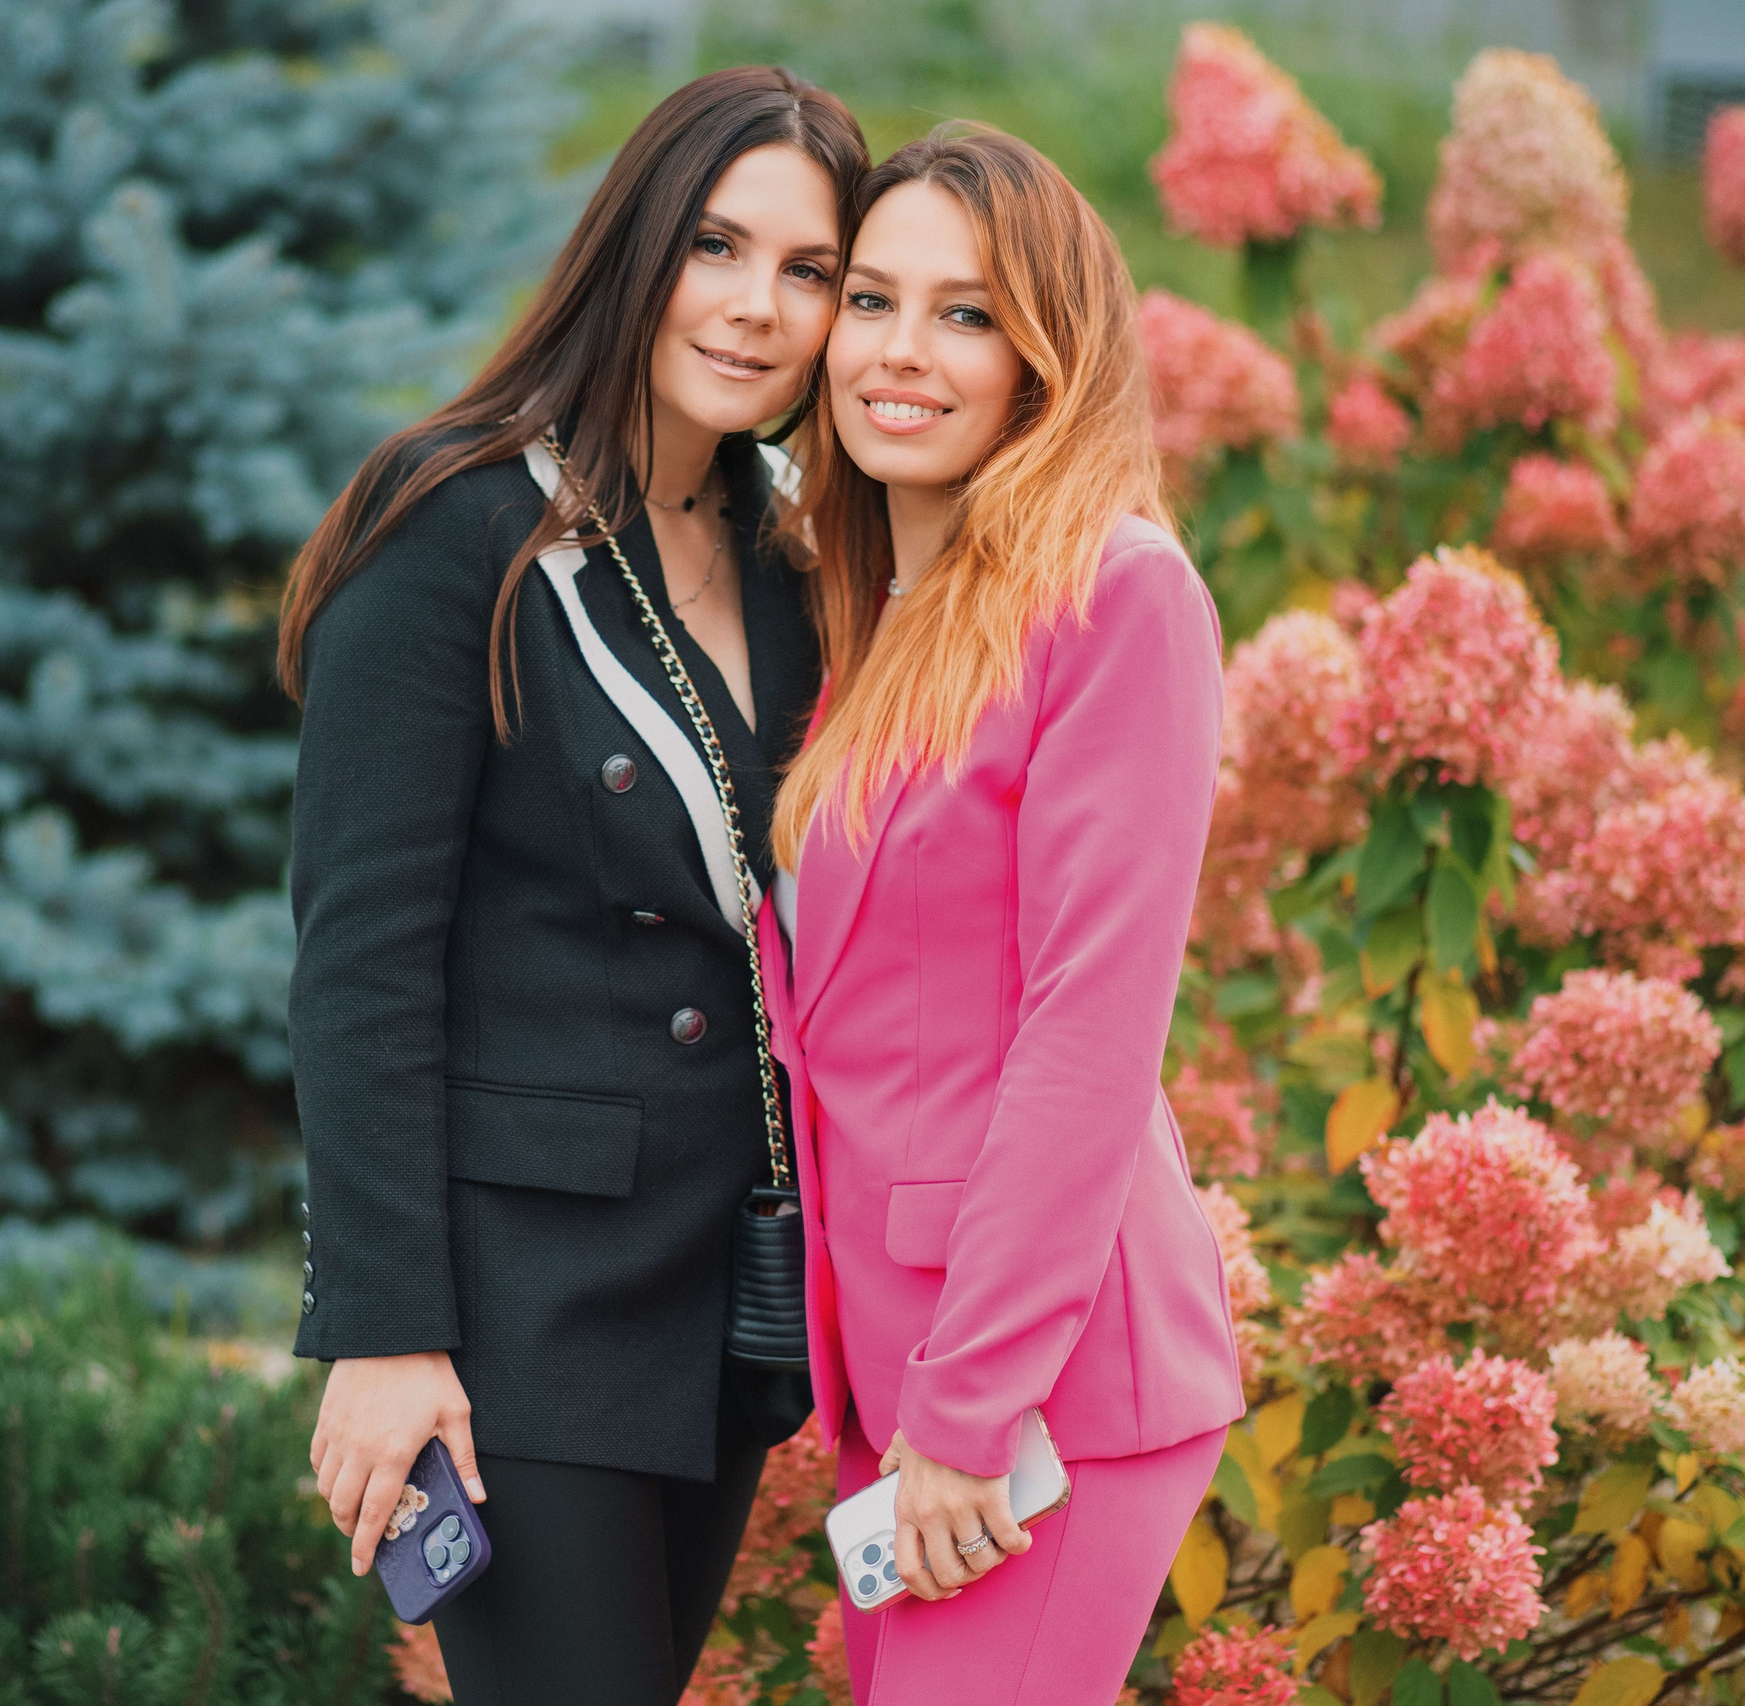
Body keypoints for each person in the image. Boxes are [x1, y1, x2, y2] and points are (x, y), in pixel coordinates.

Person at [277, 67, 867, 1706]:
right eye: (717, 247)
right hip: (516, 1311)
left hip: (719, 1296)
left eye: (808, 272)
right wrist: (388, 1333)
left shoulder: (792, 553)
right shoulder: (454, 524)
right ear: (636, 247)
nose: (758, 309)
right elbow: (361, 961)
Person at [757, 125, 1246, 1704]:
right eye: (874, 299)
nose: (902, 352)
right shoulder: (866, 608)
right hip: (892, 1358)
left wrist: (967, 1414)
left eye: (966, 314)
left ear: (1048, 355)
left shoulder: (1118, 592)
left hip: (1035, 1387)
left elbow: (1089, 1033)